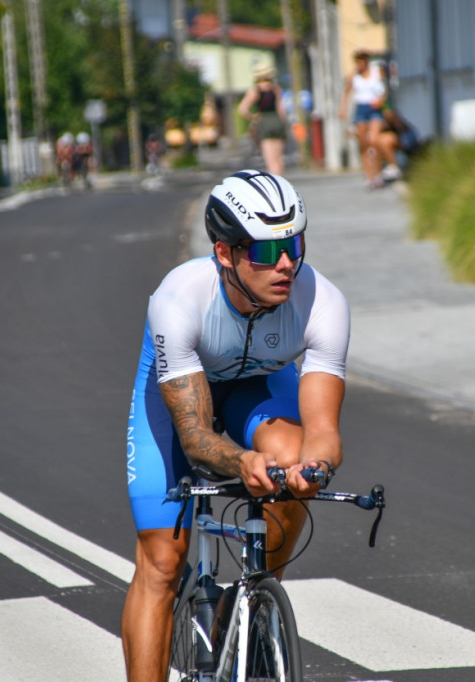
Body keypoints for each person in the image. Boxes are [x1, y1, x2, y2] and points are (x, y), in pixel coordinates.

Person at [122, 170, 350, 681]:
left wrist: (315, 468)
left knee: (293, 466)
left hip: (258, 388)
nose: (287, 263)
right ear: (225, 253)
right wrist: (242, 460)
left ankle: (248, 605)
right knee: (162, 561)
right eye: (267, 252)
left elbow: (323, 430)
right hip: (184, 397)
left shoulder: (324, 303)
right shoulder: (179, 299)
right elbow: (197, 438)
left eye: (294, 243)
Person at [339, 50, 401, 189]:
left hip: (374, 108)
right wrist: (343, 109)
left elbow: (386, 90)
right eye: (357, 62)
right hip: (361, 108)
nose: (359, 64)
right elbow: (346, 92)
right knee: (364, 145)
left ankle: (377, 173)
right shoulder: (353, 75)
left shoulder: (376, 72)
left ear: (366, 61)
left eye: (362, 61)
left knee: (374, 140)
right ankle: (369, 177)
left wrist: (381, 100)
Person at [237, 64, 287, 176]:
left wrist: (253, 117)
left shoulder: (255, 90)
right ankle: (282, 181)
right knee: (278, 159)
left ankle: (275, 185)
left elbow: (242, 109)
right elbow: (281, 110)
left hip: (264, 122)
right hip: (277, 121)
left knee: (270, 160)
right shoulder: (275, 88)